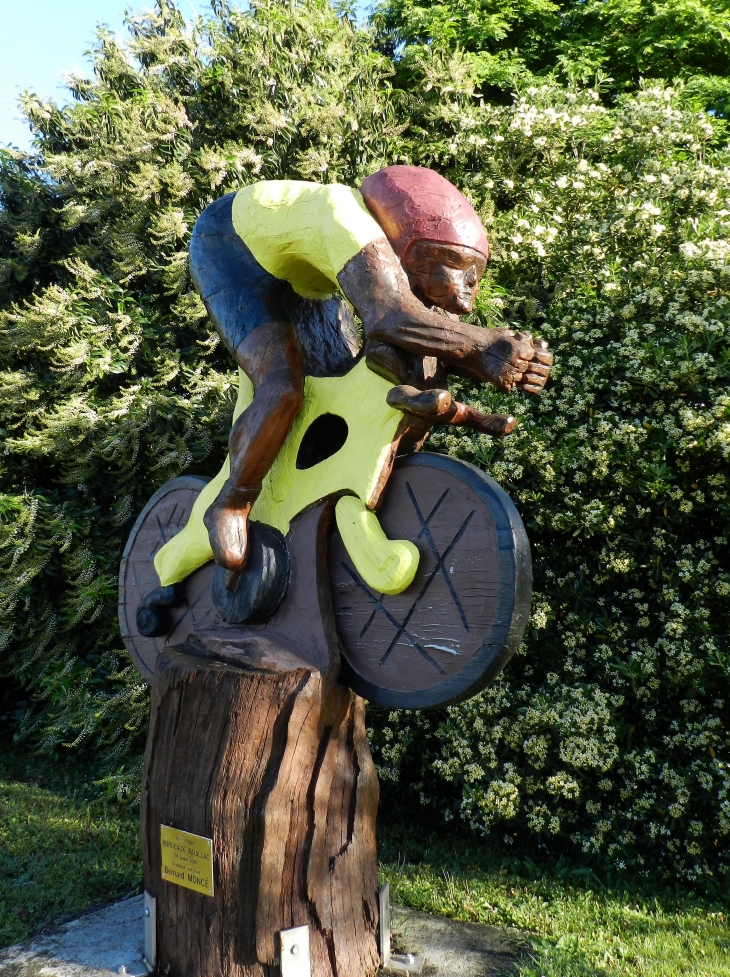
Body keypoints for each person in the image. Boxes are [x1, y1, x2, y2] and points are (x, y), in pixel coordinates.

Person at [137, 165, 552, 635]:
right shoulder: (345, 222)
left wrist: (503, 362)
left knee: (354, 376)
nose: (467, 301)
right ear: (420, 253)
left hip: (305, 277)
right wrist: (485, 346)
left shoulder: (378, 253)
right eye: (466, 277)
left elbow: (401, 343)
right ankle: (231, 503)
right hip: (232, 255)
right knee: (283, 389)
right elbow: (390, 316)